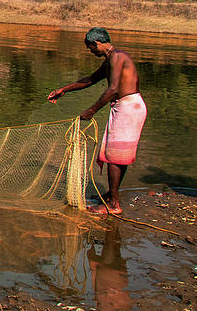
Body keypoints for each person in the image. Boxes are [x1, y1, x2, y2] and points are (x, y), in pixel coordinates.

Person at [47, 27, 146, 215]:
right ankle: (112, 194)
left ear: (97, 43)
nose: (90, 51)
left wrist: (92, 110)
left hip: (129, 107)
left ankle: (114, 204)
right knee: (117, 155)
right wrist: (63, 89)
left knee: (114, 157)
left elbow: (114, 89)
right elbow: (90, 80)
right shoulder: (110, 60)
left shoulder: (117, 57)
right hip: (125, 107)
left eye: (90, 47)